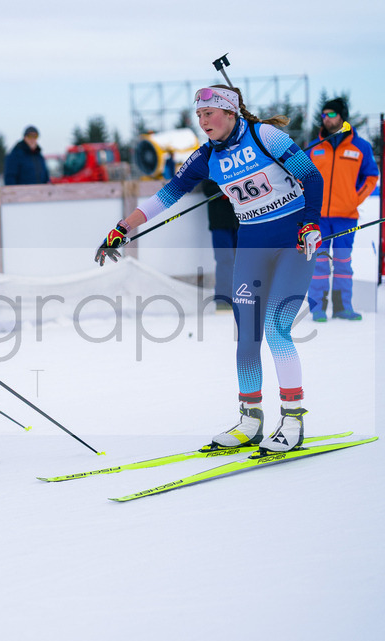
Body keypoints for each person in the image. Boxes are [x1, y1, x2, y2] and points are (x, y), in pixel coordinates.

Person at [95, 85, 324, 454]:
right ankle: (250, 420)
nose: (203, 121)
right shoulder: (205, 157)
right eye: (199, 116)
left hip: (293, 241)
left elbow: (311, 176)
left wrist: (311, 222)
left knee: (276, 328)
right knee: (247, 335)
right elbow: (167, 195)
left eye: (209, 114)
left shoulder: (265, 136)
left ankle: (293, 418)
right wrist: (123, 227)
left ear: (230, 113)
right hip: (251, 244)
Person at [305, 97, 379, 322]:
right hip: (318, 218)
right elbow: (301, 177)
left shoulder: (361, 147)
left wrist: (354, 199)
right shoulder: (314, 147)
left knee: (343, 263)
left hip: (346, 217)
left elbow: (371, 176)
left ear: (342, 116)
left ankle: (342, 307)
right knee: (318, 264)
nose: (326, 119)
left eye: (331, 114)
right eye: (323, 115)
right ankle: (318, 308)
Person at [202, 178, 240, 311]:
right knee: (225, 260)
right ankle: (223, 299)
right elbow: (208, 190)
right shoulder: (210, 168)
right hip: (220, 222)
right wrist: (227, 190)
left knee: (242, 260)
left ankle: (240, 297)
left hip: (239, 221)